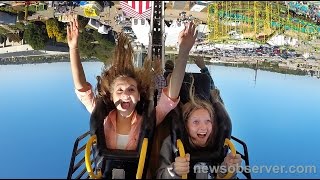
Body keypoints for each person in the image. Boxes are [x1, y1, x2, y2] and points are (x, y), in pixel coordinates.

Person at [67, 18, 198, 151]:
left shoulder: (147, 121)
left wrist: (184, 51)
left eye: (131, 89)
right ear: (111, 97)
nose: (126, 94)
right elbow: (82, 89)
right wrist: (73, 48)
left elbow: (170, 96)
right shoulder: (102, 116)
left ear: (139, 96)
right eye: (119, 90)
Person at [156, 74, 242, 179]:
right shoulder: (170, 143)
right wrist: (175, 171)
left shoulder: (218, 142)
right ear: (185, 125)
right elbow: (159, 176)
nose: (203, 127)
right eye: (196, 122)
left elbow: (221, 174)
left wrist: (228, 168)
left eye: (208, 121)